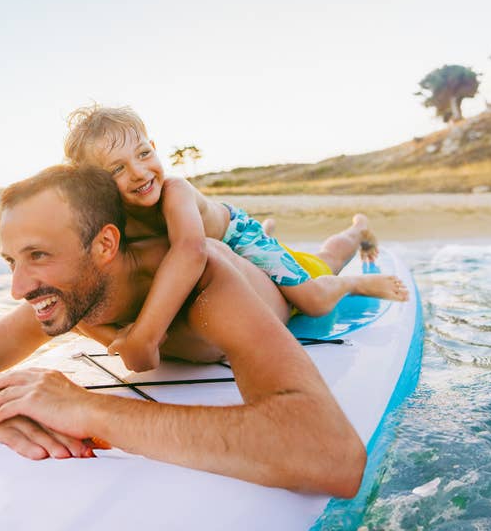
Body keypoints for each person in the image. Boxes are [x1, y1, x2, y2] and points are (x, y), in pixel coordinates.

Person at [0, 164, 367, 496]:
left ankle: (355, 231)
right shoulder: (72, 296)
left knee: (326, 259)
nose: (18, 288)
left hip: (280, 288)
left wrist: (87, 408)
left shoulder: (204, 284)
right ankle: (269, 229)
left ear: (105, 244)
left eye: (39, 255)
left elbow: (329, 455)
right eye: (13, 261)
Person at [63, 104, 408, 372]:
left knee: (312, 299)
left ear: (153, 147)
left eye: (143, 154)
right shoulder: (111, 222)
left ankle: (355, 257)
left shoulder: (175, 191)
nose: (139, 172)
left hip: (237, 235)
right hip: (219, 259)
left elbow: (188, 250)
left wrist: (145, 335)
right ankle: (274, 233)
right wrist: (116, 337)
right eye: (117, 169)